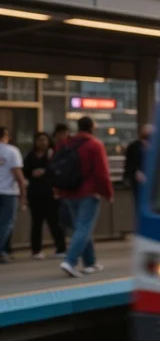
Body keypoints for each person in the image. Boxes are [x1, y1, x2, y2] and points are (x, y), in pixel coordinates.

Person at [55, 117, 113, 277]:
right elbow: (102, 174)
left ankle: (90, 263)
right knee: (83, 228)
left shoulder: (65, 143)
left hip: (68, 193)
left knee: (81, 227)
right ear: (92, 128)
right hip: (88, 193)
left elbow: (56, 166)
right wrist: (108, 193)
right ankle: (70, 261)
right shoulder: (95, 145)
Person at [23, 132, 66, 259]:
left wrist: (46, 171)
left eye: (45, 140)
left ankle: (61, 247)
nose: (42, 143)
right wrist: (31, 173)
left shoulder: (52, 154)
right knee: (36, 222)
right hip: (35, 193)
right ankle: (36, 250)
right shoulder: (30, 156)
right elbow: (24, 172)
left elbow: (58, 170)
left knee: (54, 222)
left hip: (50, 193)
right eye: (39, 140)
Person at [0, 127, 25, 264]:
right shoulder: (11, 151)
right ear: (5, 135)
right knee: (6, 223)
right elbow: (18, 176)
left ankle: (3, 251)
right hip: (8, 192)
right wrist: (23, 197)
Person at [123, 123, 153, 225]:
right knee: (140, 205)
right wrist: (134, 173)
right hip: (138, 182)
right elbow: (128, 164)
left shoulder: (156, 146)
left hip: (152, 182)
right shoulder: (134, 147)